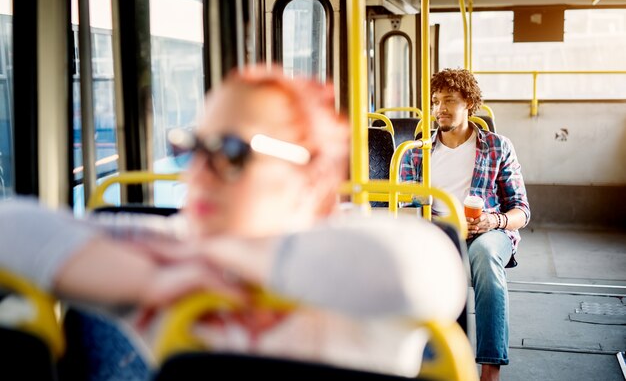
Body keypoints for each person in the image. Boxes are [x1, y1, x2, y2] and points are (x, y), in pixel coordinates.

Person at [0, 65, 471, 378]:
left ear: (308, 179)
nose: (198, 173)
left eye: (230, 152)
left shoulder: (351, 248)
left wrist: (216, 257)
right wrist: (147, 280)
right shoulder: (166, 254)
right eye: (193, 149)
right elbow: (11, 225)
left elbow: (423, 273)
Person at [399, 68, 531, 381]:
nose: (439, 108)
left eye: (449, 101)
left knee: (485, 258)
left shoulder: (497, 146)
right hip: (437, 232)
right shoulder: (416, 154)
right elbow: (405, 207)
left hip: (487, 231)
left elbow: (522, 211)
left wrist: (491, 221)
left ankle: (489, 368)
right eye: (435, 102)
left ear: (469, 104)